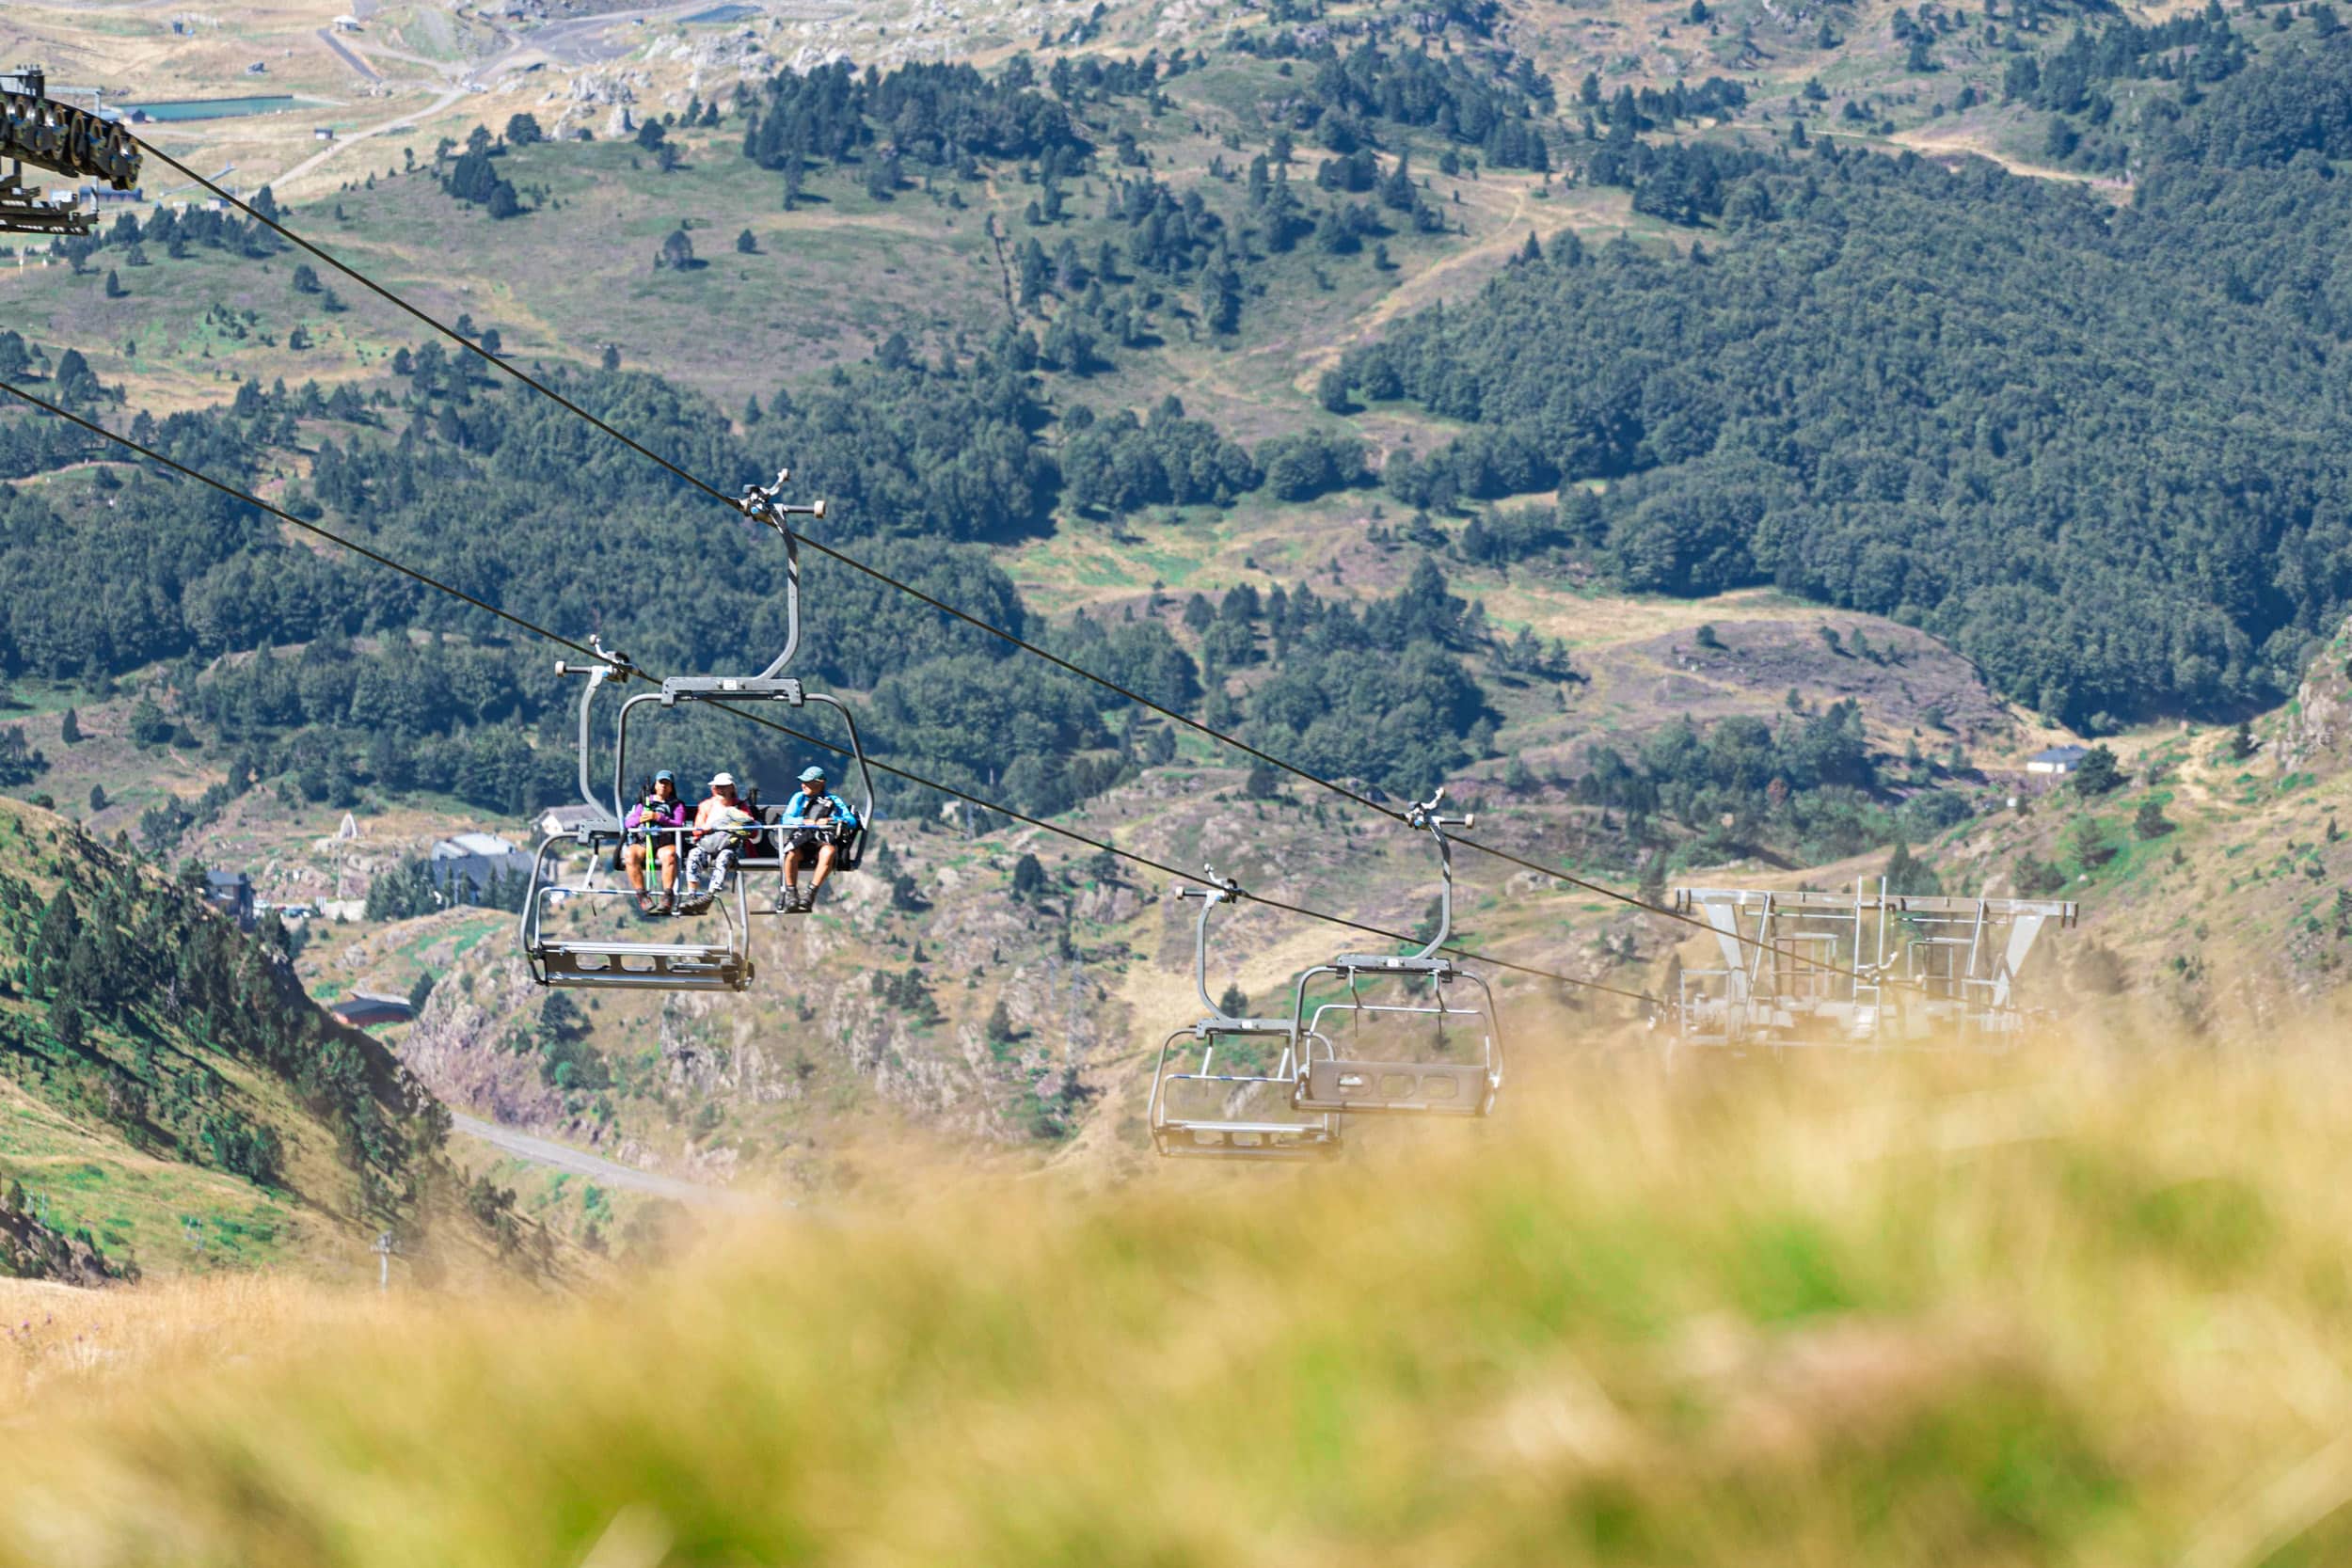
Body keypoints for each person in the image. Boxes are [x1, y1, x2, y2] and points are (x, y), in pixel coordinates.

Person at [779, 764, 858, 913]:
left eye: (807, 782)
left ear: (820, 783)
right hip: (801, 840)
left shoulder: (833, 800)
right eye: (803, 782)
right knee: (791, 855)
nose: (803, 785)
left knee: (828, 852)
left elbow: (851, 821)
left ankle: (810, 894)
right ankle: (791, 894)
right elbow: (786, 819)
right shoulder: (799, 798)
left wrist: (831, 820)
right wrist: (802, 821)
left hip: (821, 841)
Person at [680, 771, 760, 911]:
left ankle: (710, 895)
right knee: (694, 855)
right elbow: (697, 830)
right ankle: (691, 895)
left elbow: (751, 830)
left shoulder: (740, 807)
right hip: (708, 845)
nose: (721, 790)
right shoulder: (706, 806)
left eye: (724, 786)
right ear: (713, 789)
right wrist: (710, 828)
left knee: (724, 858)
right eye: (718, 787)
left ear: (732, 789)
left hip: (731, 847)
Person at [622, 770, 688, 914]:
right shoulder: (644, 803)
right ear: (655, 785)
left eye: (667, 784)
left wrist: (659, 817)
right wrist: (640, 819)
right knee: (630, 855)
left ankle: (667, 896)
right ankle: (642, 895)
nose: (663, 786)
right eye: (661, 783)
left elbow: (678, 824)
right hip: (644, 842)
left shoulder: (677, 805)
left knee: (670, 855)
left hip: (664, 842)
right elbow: (628, 823)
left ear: (671, 787)